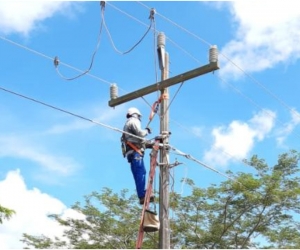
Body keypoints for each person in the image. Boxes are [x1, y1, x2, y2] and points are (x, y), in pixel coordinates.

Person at [123, 107, 154, 205]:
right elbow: (140, 134)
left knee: (139, 174)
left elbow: (138, 140)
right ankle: (142, 195)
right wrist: (147, 130)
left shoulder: (127, 125)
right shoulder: (133, 121)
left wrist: (151, 144)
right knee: (140, 174)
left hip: (132, 153)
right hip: (135, 153)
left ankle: (142, 195)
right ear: (136, 114)